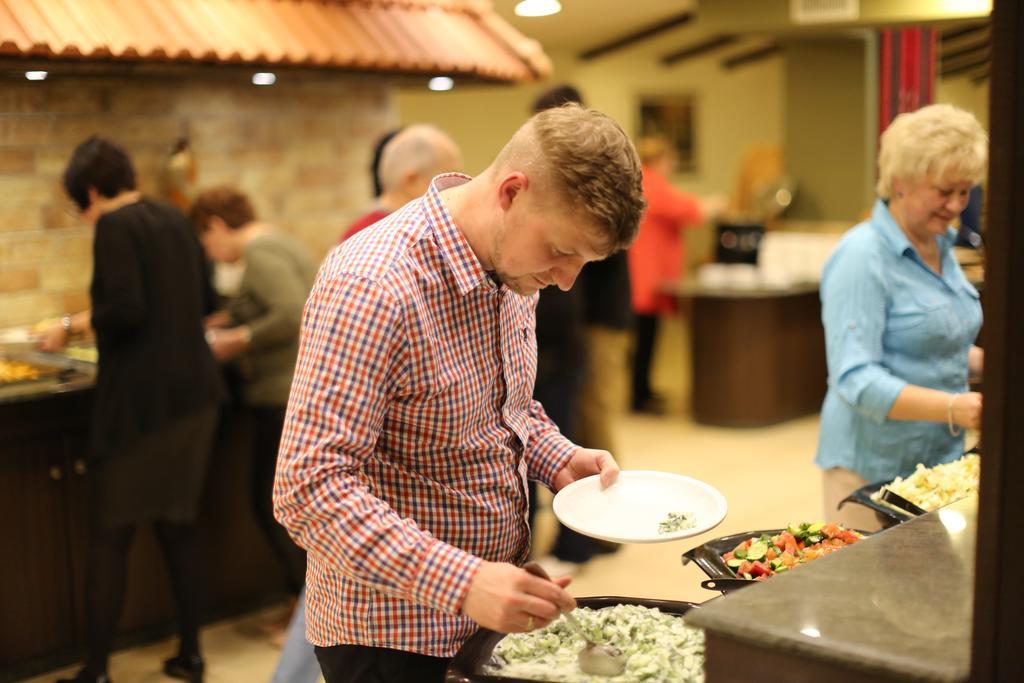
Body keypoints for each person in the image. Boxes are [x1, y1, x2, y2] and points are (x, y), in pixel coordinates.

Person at [274, 103, 645, 683]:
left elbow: (507, 408)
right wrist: (465, 582)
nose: (568, 279)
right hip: (391, 636)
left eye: (585, 263)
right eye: (562, 251)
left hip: (485, 618)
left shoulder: (515, 265)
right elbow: (308, 488)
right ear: (512, 192)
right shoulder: (373, 282)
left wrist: (558, 456)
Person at [38, 136, 223, 683]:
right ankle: (191, 655)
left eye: (82, 206)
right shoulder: (174, 218)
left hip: (142, 408)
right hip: (196, 398)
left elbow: (124, 308)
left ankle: (95, 670)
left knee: (110, 535)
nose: (86, 216)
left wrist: (70, 325)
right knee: (179, 530)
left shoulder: (116, 227)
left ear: (92, 191)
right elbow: (206, 304)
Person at [816, 103, 986, 530]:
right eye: (944, 191)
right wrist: (956, 408)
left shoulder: (942, 246)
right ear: (899, 183)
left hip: (936, 464)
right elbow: (855, 379)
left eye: (965, 192)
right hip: (870, 472)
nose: (956, 205)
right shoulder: (862, 256)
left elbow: (938, 345)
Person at [189, 186, 315, 608]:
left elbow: (290, 310)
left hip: (279, 393)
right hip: (293, 390)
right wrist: (228, 318)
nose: (209, 252)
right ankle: (305, 612)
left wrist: (239, 339)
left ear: (218, 226)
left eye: (206, 241)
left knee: (273, 505)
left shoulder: (259, 253)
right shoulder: (280, 242)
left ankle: (306, 614)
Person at [528, 85, 625, 576]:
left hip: (587, 327)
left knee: (592, 420)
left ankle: (594, 535)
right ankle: (591, 534)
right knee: (581, 421)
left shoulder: (593, 184)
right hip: (573, 332)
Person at [627, 137, 717, 414]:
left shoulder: (642, 182)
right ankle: (640, 396)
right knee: (645, 339)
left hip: (644, 276)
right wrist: (716, 204)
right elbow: (689, 211)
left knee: (645, 339)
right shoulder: (651, 182)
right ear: (660, 160)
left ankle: (643, 390)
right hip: (647, 277)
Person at [341, 124, 461, 241]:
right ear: (412, 182)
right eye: (448, 179)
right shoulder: (382, 239)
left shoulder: (360, 232)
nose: (457, 187)